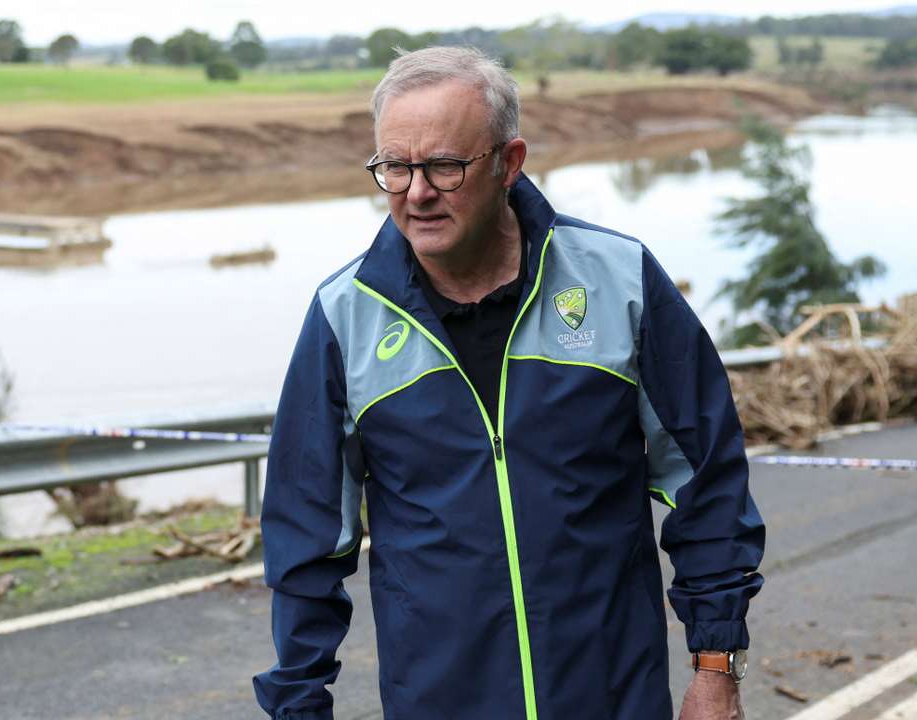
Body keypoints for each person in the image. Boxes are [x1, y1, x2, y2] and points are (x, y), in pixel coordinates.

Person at [253, 46, 765, 720]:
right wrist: (297, 704)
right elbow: (305, 534)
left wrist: (715, 668)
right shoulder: (344, 316)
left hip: (611, 697)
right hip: (440, 702)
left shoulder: (620, 280)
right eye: (395, 167)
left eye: (444, 165)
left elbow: (707, 483)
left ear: (508, 162)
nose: (416, 192)